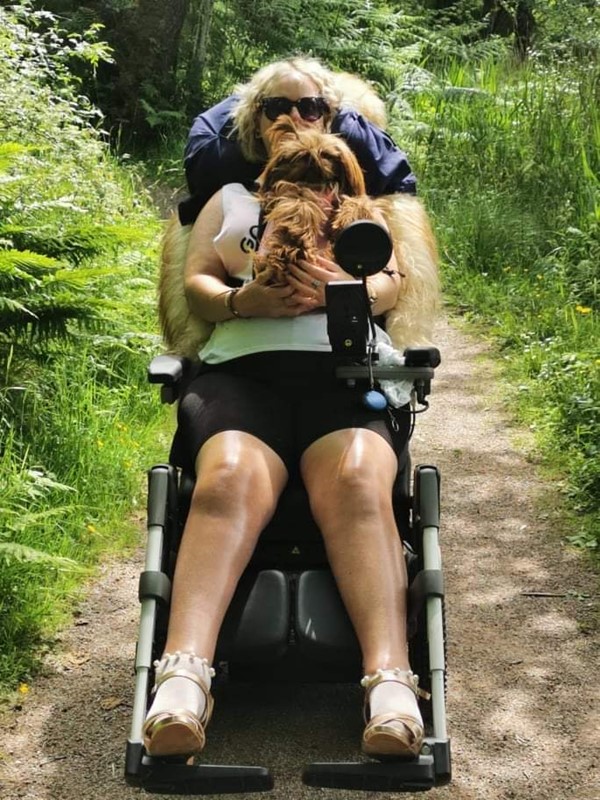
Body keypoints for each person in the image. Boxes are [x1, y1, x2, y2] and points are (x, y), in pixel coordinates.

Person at [143, 56, 428, 762]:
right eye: (276, 107)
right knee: (230, 475)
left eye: (310, 107)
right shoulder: (230, 199)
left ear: (332, 121)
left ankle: (389, 683)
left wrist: (348, 289)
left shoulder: (364, 204)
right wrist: (247, 300)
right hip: (243, 375)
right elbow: (198, 282)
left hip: (344, 373)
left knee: (363, 477)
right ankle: (183, 678)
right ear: (253, 122)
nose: (292, 118)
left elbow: (393, 281)